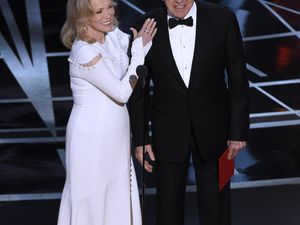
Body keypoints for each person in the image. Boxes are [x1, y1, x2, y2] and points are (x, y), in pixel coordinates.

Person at [129, 0, 249, 225]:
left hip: (217, 132)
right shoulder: (145, 25)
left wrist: (238, 131)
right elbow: (139, 90)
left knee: (218, 207)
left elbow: (238, 79)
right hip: (168, 132)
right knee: (167, 209)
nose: (179, 1)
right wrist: (141, 138)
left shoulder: (223, 19)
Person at [57, 0, 157, 224]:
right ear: (82, 17)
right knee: (92, 198)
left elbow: (134, 42)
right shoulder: (84, 50)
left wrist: (138, 43)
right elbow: (121, 94)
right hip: (92, 137)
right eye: (98, 11)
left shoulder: (112, 35)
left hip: (117, 133)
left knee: (117, 195)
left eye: (110, 7)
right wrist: (139, 55)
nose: (108, 15)